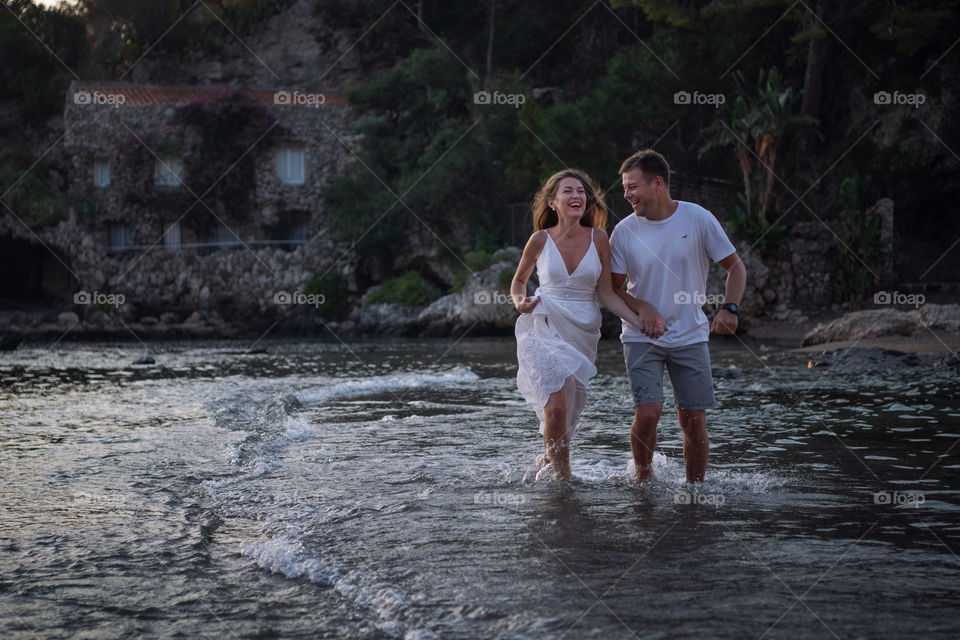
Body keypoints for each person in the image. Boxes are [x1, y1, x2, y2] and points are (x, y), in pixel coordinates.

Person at [511, 169, 666, 480]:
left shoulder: (599, 239)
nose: (577, 196)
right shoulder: (540, 239)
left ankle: (550, 460)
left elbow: (607, 294)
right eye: (568, 190)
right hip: (543, 327)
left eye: (581, 191)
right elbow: (518, 281)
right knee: (556, 406)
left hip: (583, 333)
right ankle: (563, 478)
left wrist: (639, 321)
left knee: (568, 413)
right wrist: (519, 301)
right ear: (552, 202)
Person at [610, 149, 746, 483]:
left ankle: (694, 489)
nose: (626, 195)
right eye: (624, 188)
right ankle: (643, 481)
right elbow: (612, 289)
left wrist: (730, 307)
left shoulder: (697, 218)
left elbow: (735, 267)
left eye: (632, 187)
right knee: (648, 413)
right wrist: (642, 308)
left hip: (690, 335)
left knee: (693, 419)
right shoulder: (624, 231)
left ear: (657, 183)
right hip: (641, 335)